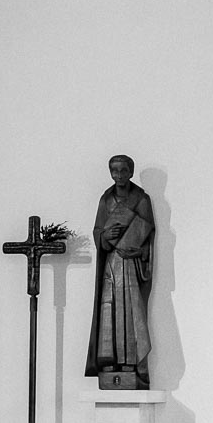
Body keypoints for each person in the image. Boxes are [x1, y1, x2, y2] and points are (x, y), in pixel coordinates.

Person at [84, 154, 154, 389]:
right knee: (110, 310)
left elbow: (149, 237)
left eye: (124, 171)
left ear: (131, 172)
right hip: (112, 262)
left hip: (131, 266)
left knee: (131, 312)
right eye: (115, 171)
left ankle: (131, 363)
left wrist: (141, 252)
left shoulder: (141, 199)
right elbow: (97, 230)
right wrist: (104, 237)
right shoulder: (105, 200)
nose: (119, 175)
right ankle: (110, 362)